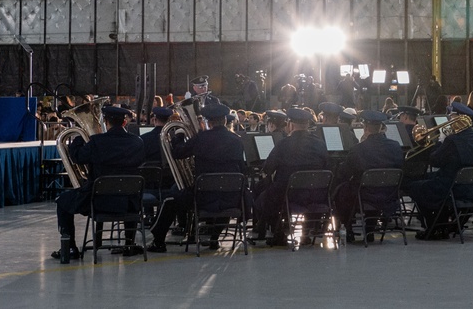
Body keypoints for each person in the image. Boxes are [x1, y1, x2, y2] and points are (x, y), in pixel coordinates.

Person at [147, 104, 248, 252]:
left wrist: (179, 137)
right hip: (231, 198)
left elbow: (178, 153)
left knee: (171, 199)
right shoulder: (237, 140)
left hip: (203, 198)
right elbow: (242, 168)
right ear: (225, 121)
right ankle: (214, 238)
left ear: (209, 122)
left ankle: (158, 241)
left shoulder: (201, 138)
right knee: (226, 188)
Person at [53, 106, 145, 263]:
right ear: (124, 122)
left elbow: (77, 157)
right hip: (129, 203)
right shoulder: (137, 142)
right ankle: (129, 244)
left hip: (98, 202)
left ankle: (69, 247)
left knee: (62, 201)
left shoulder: (97, 142)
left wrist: (81, 137)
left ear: (106, 122)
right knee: (129, 192)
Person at [405, 105, 473, 240]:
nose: (449, 119)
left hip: (450, 188)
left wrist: (440, 141)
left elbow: (435, 161)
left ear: (457, 118)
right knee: (425, 178)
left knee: (414, 187)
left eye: (451, 117)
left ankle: (435, 226)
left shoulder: (452, 140)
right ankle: (445, 224)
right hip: (471, 189)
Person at [253, 108, 329, 246]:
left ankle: (279, 232)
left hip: (289, 196)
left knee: (261, 199)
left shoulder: (284, 144)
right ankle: (306, 232)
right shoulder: (320, 144)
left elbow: (268, 168)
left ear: (291, 125)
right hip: (316, 194)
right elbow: (327, 167)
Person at [332, 110, 405, 241]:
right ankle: (370, 228)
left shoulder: (358, 149)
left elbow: (345, 173)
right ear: (381, 127)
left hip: (365, 195)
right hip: (389, 194)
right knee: (375, 186)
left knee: (341, 191)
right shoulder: (395, 147)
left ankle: (347, 230)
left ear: (365, 128)